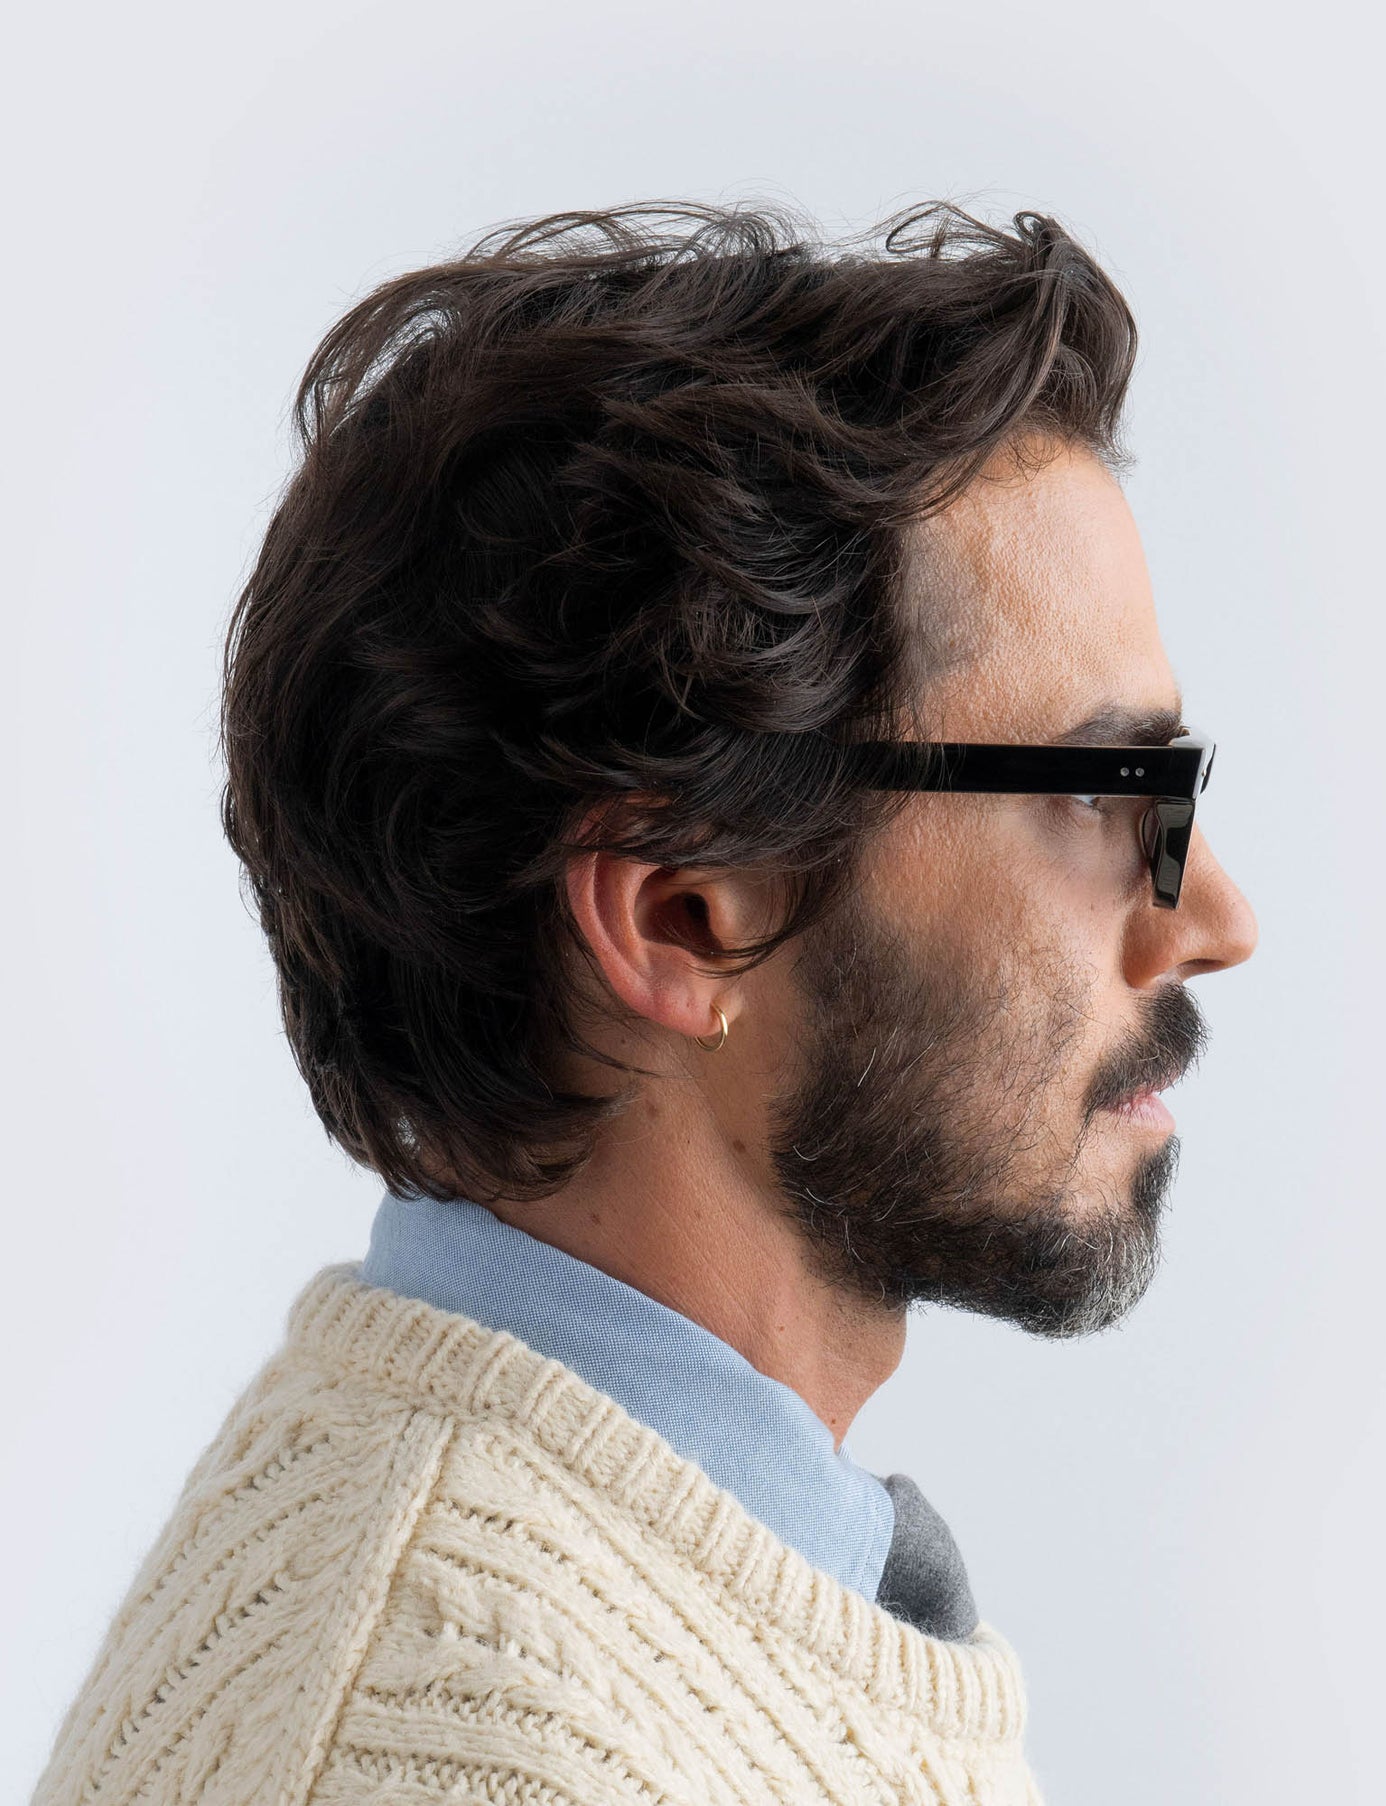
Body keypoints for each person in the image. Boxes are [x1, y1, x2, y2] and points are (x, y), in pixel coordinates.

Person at [31, 198, 1258, 1806]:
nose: (1215, 918)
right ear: (681, 919)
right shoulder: (471, 1752)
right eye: (1107, 789)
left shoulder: (661, 1590)